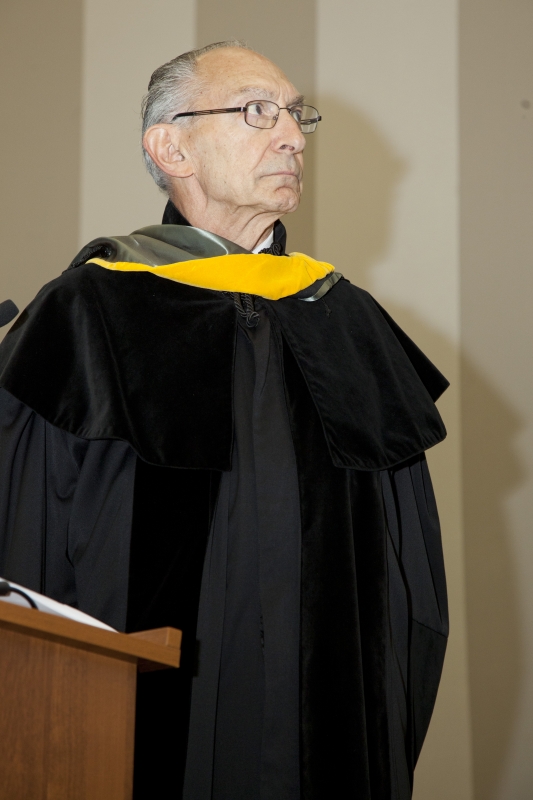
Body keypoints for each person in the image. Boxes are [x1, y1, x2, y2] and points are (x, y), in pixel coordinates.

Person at [0, 41, 449, 800]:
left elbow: (411, 592)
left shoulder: (346, 322)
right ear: (170, 148)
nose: (293, 136)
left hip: (332, 730)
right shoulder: (88, 317)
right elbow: (23, 554)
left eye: (297, 115)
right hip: (125, 736)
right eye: (257, 111)